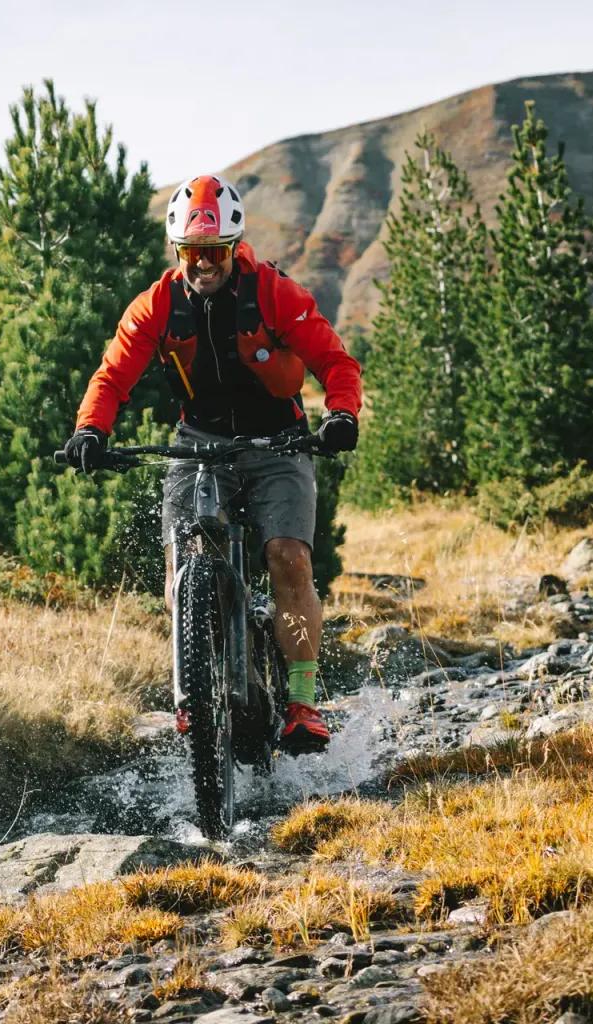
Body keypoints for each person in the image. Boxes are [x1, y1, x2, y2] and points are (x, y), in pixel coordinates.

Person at [62, 174, 362, 753]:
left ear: (234, 247)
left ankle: (301, 701)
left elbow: (336, 362)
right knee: (183, 572)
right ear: (179, 252)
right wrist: (90, 430)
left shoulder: (275, 293)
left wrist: (342, 415)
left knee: (289, 557)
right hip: (197, 443)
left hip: (279, 443)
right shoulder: (156, 304)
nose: (204, 264)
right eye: (193, 253)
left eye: (216, 251)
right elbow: (112, 375)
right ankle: (192, 696)